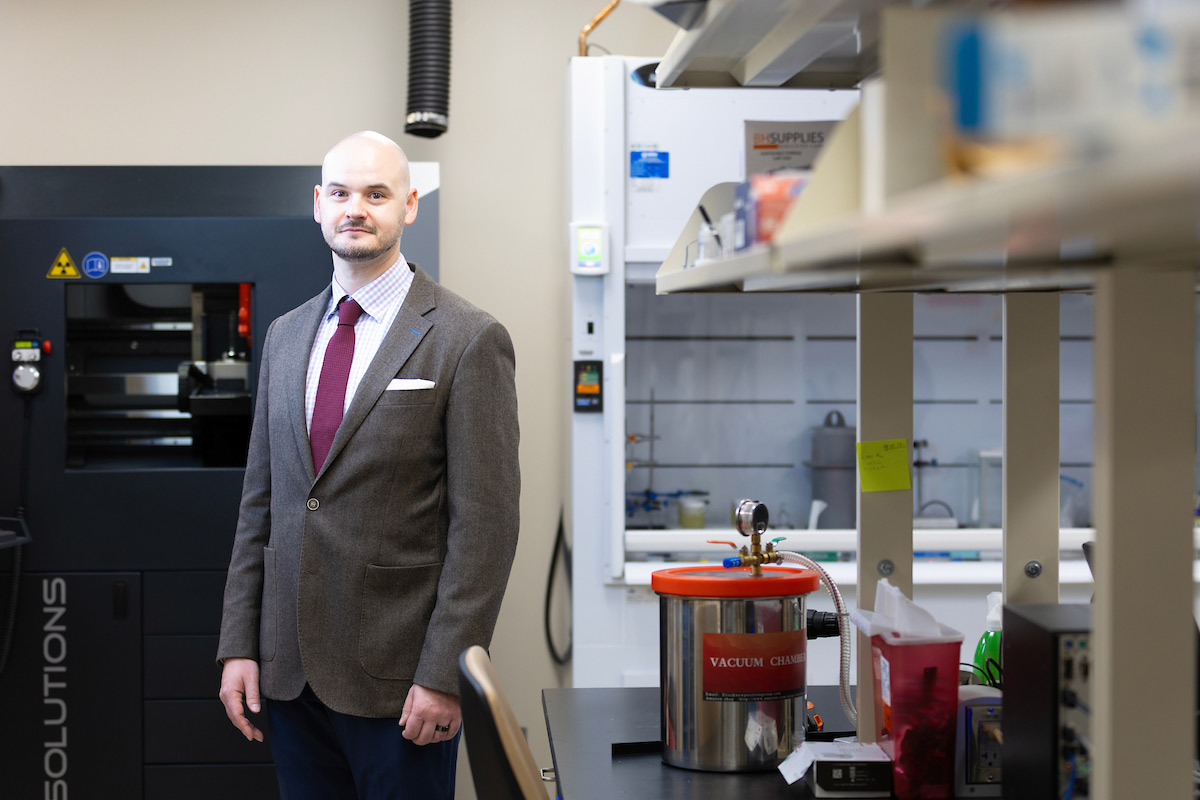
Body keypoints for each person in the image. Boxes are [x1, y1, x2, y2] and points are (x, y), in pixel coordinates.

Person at [216, 131, 520, 799]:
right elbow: (260, 504)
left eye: (377, 194)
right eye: (343, 194)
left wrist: (445, 672)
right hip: (289, 674)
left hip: (401, 683)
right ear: (318, 204)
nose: (358, 208)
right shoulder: (286, 335)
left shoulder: (467, 338)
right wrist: (239, 644)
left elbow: (486, 528)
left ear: (409, 206)